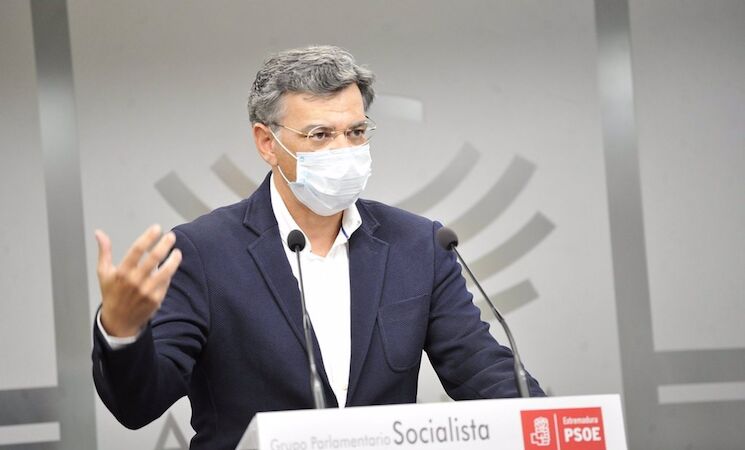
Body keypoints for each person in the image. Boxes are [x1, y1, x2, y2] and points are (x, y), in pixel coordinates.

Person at [91, 45, 544, 449]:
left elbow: (480, 368)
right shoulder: (204, 252)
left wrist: (552, 424)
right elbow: (138, 405)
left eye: (356, 132)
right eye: (321, 135)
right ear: (267, 143)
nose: (344, 150)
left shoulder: (418, 244)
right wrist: (122, 330)